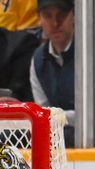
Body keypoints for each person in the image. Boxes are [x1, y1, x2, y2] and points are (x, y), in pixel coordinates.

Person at [29, 0, 75, 147]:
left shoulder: (93, 52)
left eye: (61, 15)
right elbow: (42, 114)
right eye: (48, 16)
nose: (55, 23)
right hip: (56, 140)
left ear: (74, 15)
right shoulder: (38, 59)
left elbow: (94, 117)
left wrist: (55, 117)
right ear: (39, 19)